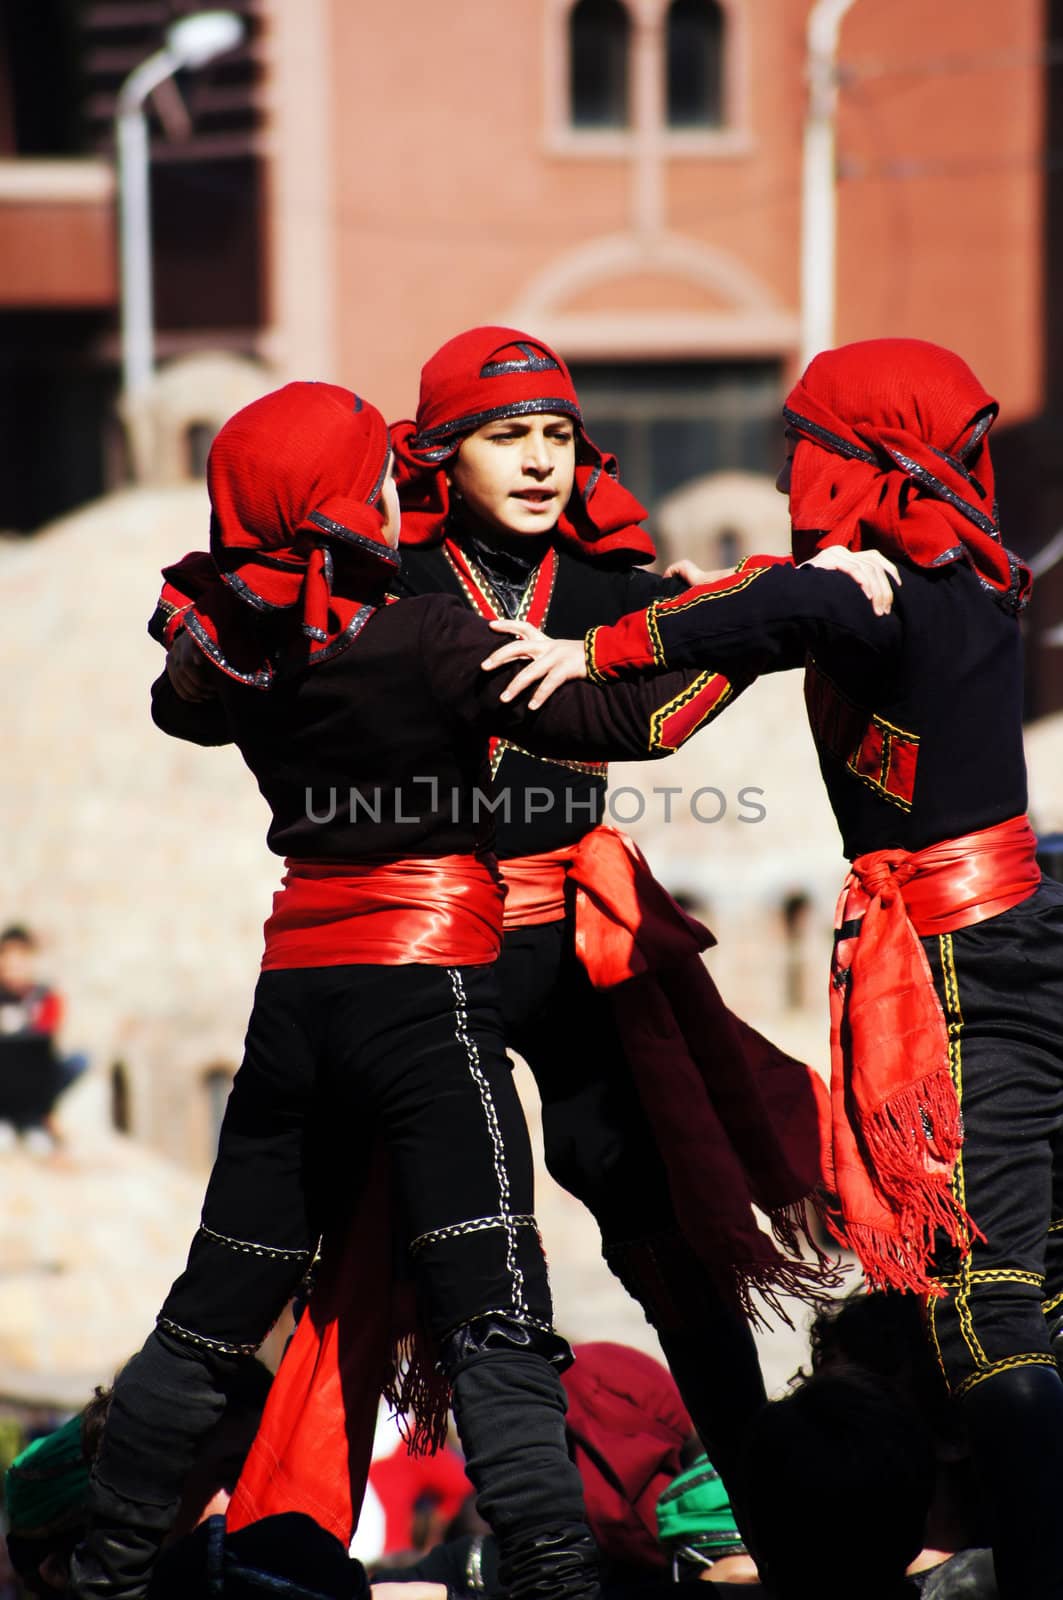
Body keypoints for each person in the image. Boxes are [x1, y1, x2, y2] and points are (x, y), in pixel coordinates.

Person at [70, 378, 777, 1600]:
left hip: (294, 1004)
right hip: (427, 998)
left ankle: (97, 1572)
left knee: (208, 1309)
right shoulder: (428, 630)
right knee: (497, 1313)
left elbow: (178, 703)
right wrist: (761, 623)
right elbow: (625, 724)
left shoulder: (225, 646)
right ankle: (557, 1582)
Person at [487, 337, 1063, 1600]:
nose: (791, 470)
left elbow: (793, 608)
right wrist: (696, 604)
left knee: (989, 1307)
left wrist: (598, 649)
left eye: (810, 449)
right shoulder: (951, 571)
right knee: (1010, 1279)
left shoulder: (884, 585)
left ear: (872, 464)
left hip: (964, 963)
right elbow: (776, 607)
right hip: (990, 937)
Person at [388, 326, 892, 1492]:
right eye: (504, 436)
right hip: (431, 946)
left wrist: (797, 593)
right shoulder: (396, 588)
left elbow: (663, 700)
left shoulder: (613, 591)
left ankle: (771, 1516)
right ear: (442, 457)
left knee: (657, 1220)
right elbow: (642, 717)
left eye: (556, 436)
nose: (536, 461)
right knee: (451, 1235)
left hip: (575, 936)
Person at [0, 924, 82, 1151]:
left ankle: (36, 1120)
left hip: (34, 1081)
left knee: (78, 1061)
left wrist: (24, 1025)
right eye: (8, 958)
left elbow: (47, 1039)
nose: (13, 967)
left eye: (20, 959)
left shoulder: (45, 997)